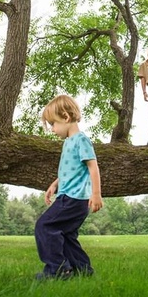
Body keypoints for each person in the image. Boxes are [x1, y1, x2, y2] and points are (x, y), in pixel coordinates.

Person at [35, 95, 103, 280]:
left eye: (53, 124)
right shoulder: (68, 142)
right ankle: (83, 269)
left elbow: (93, 167)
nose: (52, 129)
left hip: (74, 199)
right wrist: (55, 184)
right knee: (66, 235)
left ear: (65, 117)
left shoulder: (81, 140)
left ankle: (58, 270)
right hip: (70, 197)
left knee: (44, 226)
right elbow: (70, 169)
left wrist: (96, 194)